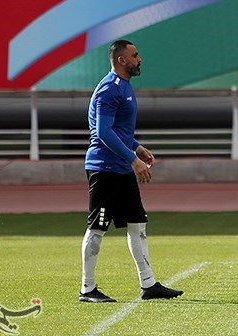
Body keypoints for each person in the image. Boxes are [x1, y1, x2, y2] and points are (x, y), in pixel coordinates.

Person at [79, 39, 184, 303]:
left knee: (138, 223)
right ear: (122, 60)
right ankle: (87, 289)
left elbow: (118, 129)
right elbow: (102, 132)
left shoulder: (124, 87)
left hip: (121, 167)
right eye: (135, 55)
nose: (140, 59)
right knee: (97, 227)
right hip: (105, 169)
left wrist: (136, 147)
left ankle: (148, 284)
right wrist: (132, 159)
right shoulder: (109, 89)